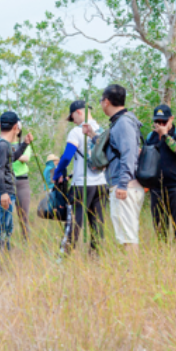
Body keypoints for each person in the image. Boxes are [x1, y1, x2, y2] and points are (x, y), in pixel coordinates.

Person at [83, 84, 142, 250]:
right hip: (123, 184)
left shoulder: (123, 123)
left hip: (125, 186)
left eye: (101, 100)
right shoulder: (120, 122)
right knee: (125, 236)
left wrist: (123, 184)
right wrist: (92, 135)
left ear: (106, 102)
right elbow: (111, 149)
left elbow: (129, 154)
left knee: (128, 238)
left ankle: (134, 274)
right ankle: (132, 273)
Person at [55, 100, 109, 253]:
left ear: (78, 112)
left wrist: (58, 173)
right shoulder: (101, 130)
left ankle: (63, 258)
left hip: (81, 185)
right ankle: (96, 259)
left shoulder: (76, 132)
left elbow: (66, 157)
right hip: (101, 184)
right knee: (98, 224)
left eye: (72, 118)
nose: (73, 121)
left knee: (74, 224)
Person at [146, 104, 176, 245]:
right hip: (156, 187)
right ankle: (163, 253)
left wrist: (165, 135)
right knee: (159, 224)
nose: (160, 125)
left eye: (163, 122)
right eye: (157, 122)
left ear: (171, 119)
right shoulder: (151, 136)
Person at [0, 111, 32, 250]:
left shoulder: (2, 143)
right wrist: (3, 193)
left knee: (7, 227)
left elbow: (11, 158)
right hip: (4, 191)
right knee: (1, 227)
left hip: (7, 191)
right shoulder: (2, 145)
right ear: (15, 127)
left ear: (0, 125)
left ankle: (5, 259)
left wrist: (24, 144)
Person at [11, 135, 33, 241]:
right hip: (7, 181)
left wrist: (12, 154)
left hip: (22, 182)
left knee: (23, 215)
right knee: (6, 216)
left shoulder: (23, 144)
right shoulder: (3, 143)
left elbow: (25, 158)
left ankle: (26, 242)